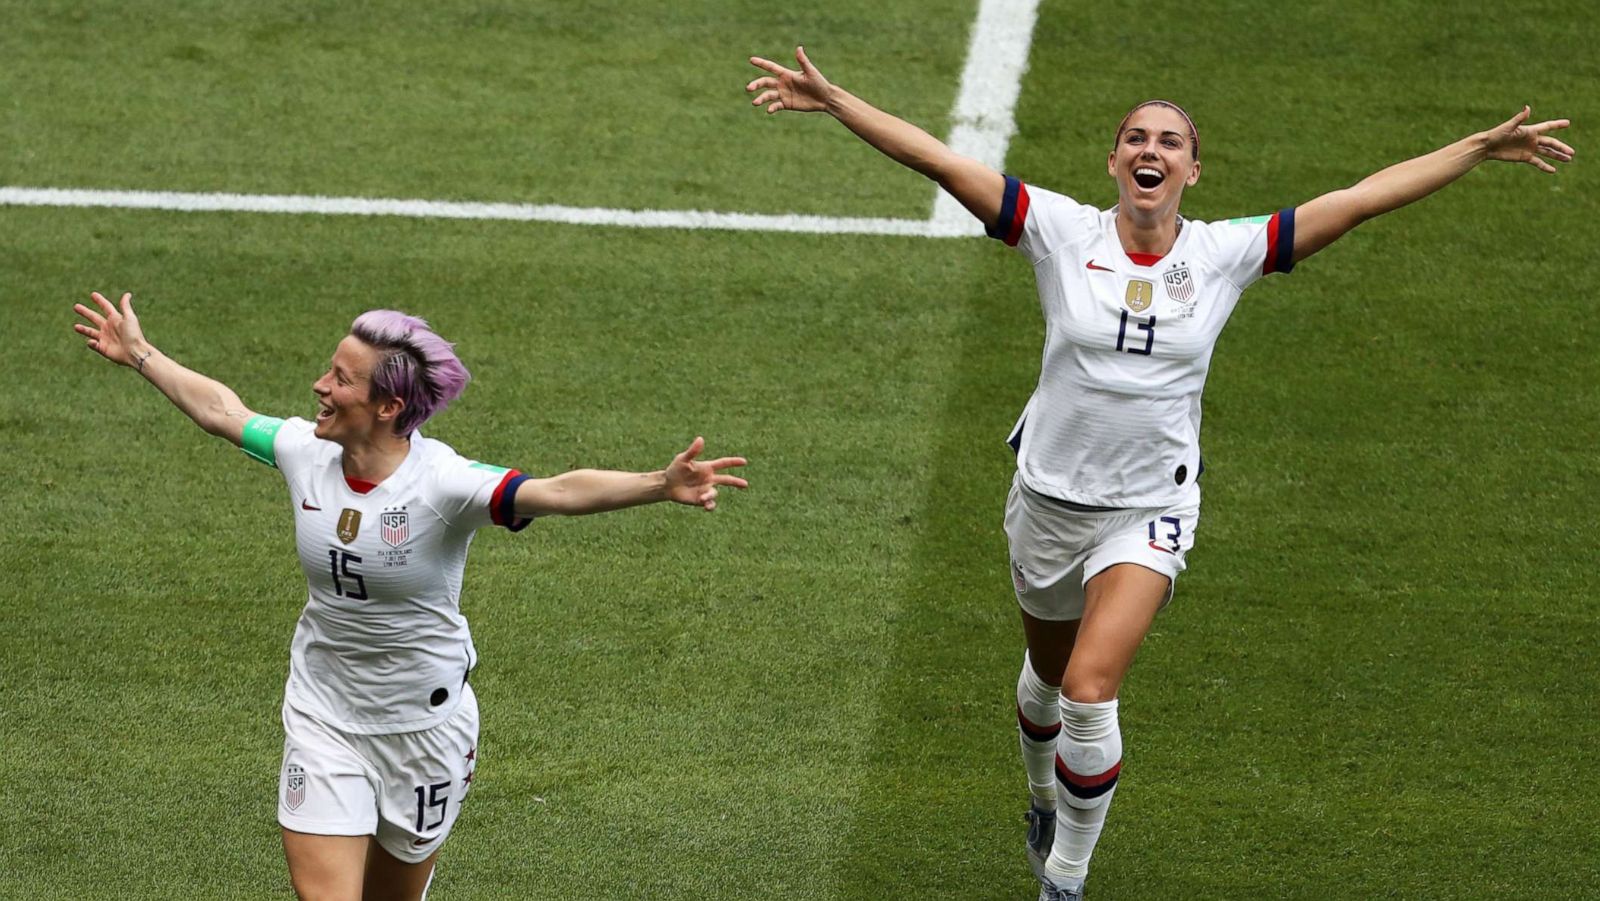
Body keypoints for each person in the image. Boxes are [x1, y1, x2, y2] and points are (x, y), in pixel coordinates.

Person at [746, 46, 1573, 900]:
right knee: (1046, 675)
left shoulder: (1225, 254)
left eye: (1170, 140)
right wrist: (837, 100)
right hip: (1049, 501)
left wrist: (1472, 149)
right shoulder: (1059, 230)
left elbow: (1360, 198)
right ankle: (1039, 792)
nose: (1153, 149)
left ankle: (1064, 880)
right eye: (1137, 137)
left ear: (1192, 169)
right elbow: (938, 156)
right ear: (1114, 162)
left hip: (1149, 508)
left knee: (1089, 689)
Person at [71, 295, 749, 901]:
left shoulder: (443, 484)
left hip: (425, 732)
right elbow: (224, 411)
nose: (320, 385)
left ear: (389, 406)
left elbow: (558, 491)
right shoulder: (304, 451)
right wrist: (140, 354)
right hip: (324, 715)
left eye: (340, 378)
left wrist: (658, 482)